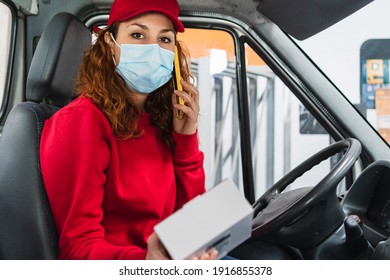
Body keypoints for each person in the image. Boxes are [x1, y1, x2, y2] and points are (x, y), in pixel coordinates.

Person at [40, 0, 217, 260]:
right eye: (137, 35)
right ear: (110, 43)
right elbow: (77, 250)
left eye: (164, 40)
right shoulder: (82, 120)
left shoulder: (161, 119)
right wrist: (146, 262)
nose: (153, 49)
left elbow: (191, 223)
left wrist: (186, 139)